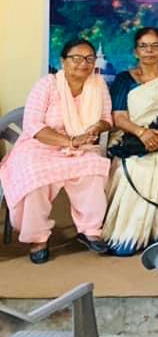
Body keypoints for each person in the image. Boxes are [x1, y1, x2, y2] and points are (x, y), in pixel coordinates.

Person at [0, 38, 113, 263]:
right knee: (35, 177)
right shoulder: (47, 85)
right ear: (63, 61)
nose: (83, 63)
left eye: (89, 59)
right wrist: (70, 141)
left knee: (93, 168)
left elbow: (106, 120)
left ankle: (90, 229)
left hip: (81, 146)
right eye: (76, 58)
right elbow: (33, 126)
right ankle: (38, 238)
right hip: (40, 146)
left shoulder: (98, 85)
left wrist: (97, 127)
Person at [102, 27, 158, 256]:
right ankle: (131, 236)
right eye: (144, 46)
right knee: (134, 170)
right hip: (132, 138)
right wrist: (142, 133)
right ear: (136, 52)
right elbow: (118, 116)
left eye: (154, 46)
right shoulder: (124, 79)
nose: (149, 51)